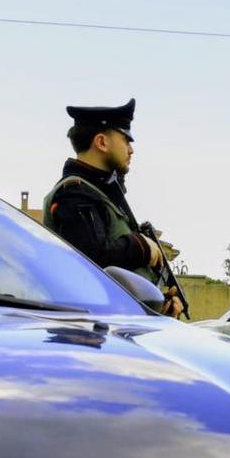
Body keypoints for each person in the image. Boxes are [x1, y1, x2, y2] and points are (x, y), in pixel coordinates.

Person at [43, 99, 183, 317]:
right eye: (126, 140)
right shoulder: (74, 193)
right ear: (101, 142)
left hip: (115, 329)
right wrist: (141, 247)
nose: (131, 149)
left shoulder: (100, 194)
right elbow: (92, 261)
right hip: (91, 336)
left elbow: (116, 279)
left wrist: (154, 304)